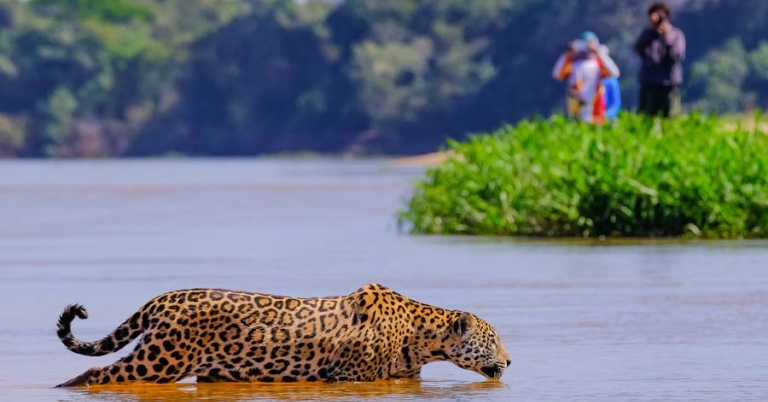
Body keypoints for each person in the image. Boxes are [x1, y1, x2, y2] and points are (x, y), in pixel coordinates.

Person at [553, 31, 620, 124]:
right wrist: (567, 54)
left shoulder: (598, 64)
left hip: (595, 110)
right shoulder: (572, 65)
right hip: (576, 110)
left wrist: (599, 52)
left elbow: (614, 73)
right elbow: (557, 74)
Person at [634, 2, 686, 117]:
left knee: (670, 116)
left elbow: (677, 55)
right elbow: (639, 50)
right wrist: (651, 31)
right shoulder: (647, 34)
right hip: (649, 82)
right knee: (645, 116)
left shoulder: (676, 35)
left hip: (668, 83)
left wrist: (666, 36)